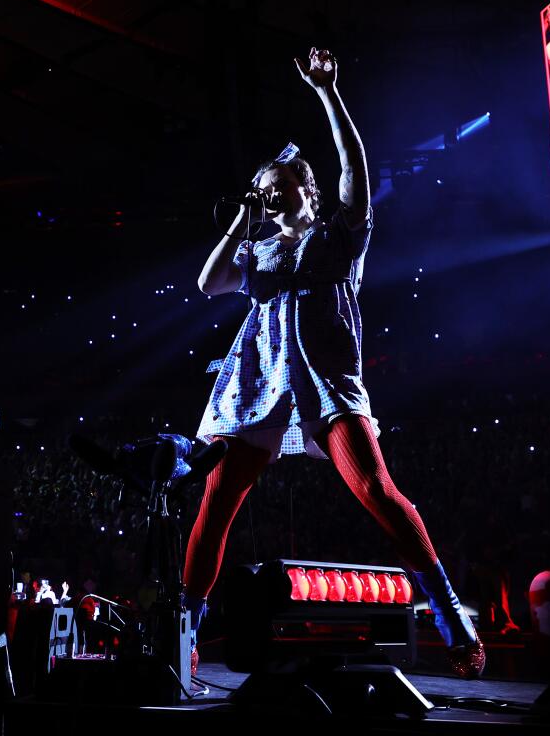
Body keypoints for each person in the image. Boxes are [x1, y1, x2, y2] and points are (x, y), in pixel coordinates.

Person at [181, 47, 486, 680]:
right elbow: (210, 282)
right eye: (263, 187)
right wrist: (243, 214)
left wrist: (327, 93)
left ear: (305, 187)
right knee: (216, 499)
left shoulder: (340, 233)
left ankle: (453, 620)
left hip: (325, 382)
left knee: (377, 490)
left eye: (277, 184)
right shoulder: (259, 246)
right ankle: (184, 630)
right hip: (259, 384)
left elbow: (355, 168)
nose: (269, 192)